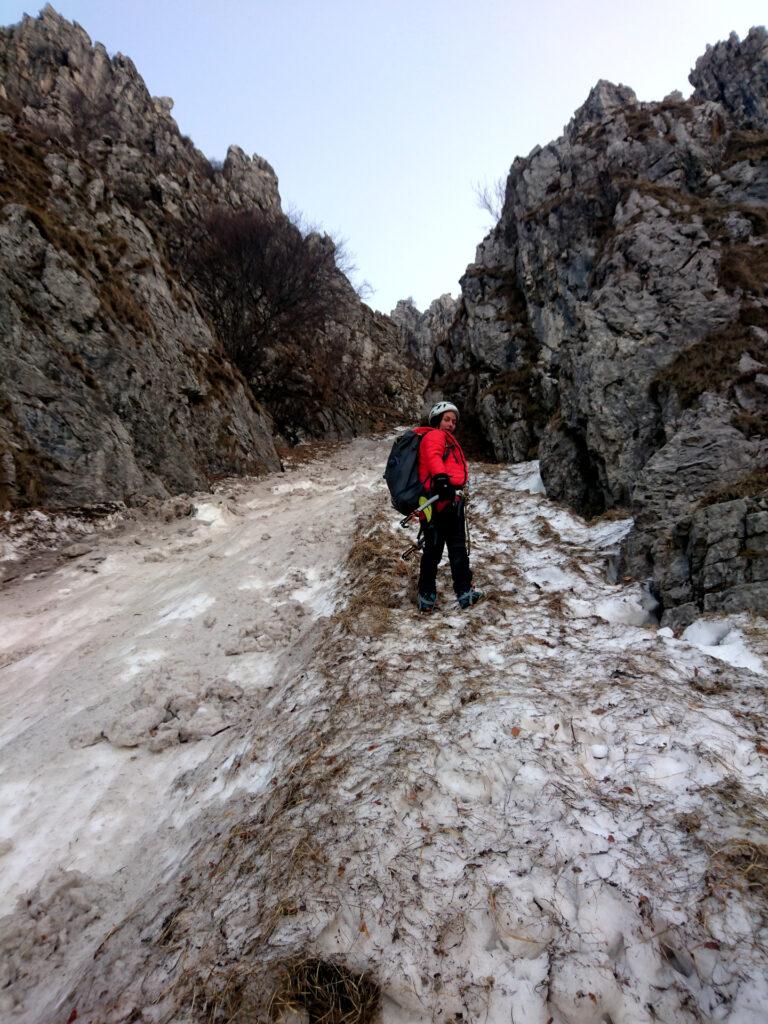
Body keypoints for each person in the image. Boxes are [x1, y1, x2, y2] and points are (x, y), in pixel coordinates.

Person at [416, 401, 483, 612]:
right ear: (437, 420)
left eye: (454, 421)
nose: (451, 424)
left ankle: (450, 593)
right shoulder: (434, 436)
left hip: (450, 502)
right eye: (447, 419)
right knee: (438, 549)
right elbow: (433, 458)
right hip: (437, 501)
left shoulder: (449, 441)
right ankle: (453, 593)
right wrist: (443, 480)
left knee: (453, 548)